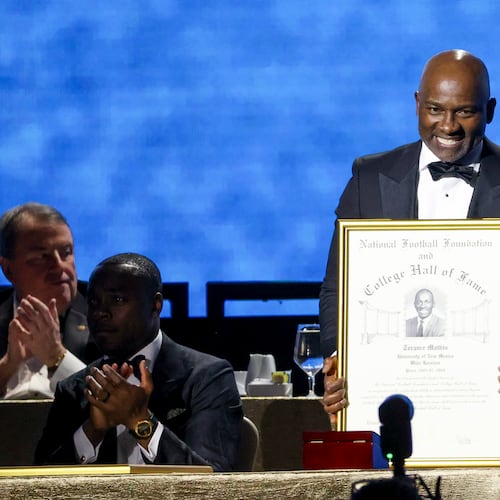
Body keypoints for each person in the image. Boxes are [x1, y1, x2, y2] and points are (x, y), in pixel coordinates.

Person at [319, 49, 499, 420]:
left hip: (486, 405)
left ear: (491, 111)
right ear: (417, 104)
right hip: (385, 396)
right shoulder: (369, 177)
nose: (448, 126)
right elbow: (338, 288)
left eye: (465, 111)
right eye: (435, 109)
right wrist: (341, 359)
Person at [34, 253, 243, 471]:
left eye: (117, 300)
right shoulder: (74, 389)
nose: (100, 313)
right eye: (94, 302)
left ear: (156, 305)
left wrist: (139, 421)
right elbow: (37, 485)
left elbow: (213, 482)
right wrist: (91, 433)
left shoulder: (207, 378)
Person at [0, 202, 98, 399]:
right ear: (9, 270)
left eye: (66, 253)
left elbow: (121, 408)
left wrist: (58, 358)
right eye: (41, 257)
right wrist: (8, 365)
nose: (59, 266)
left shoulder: (104, 313)